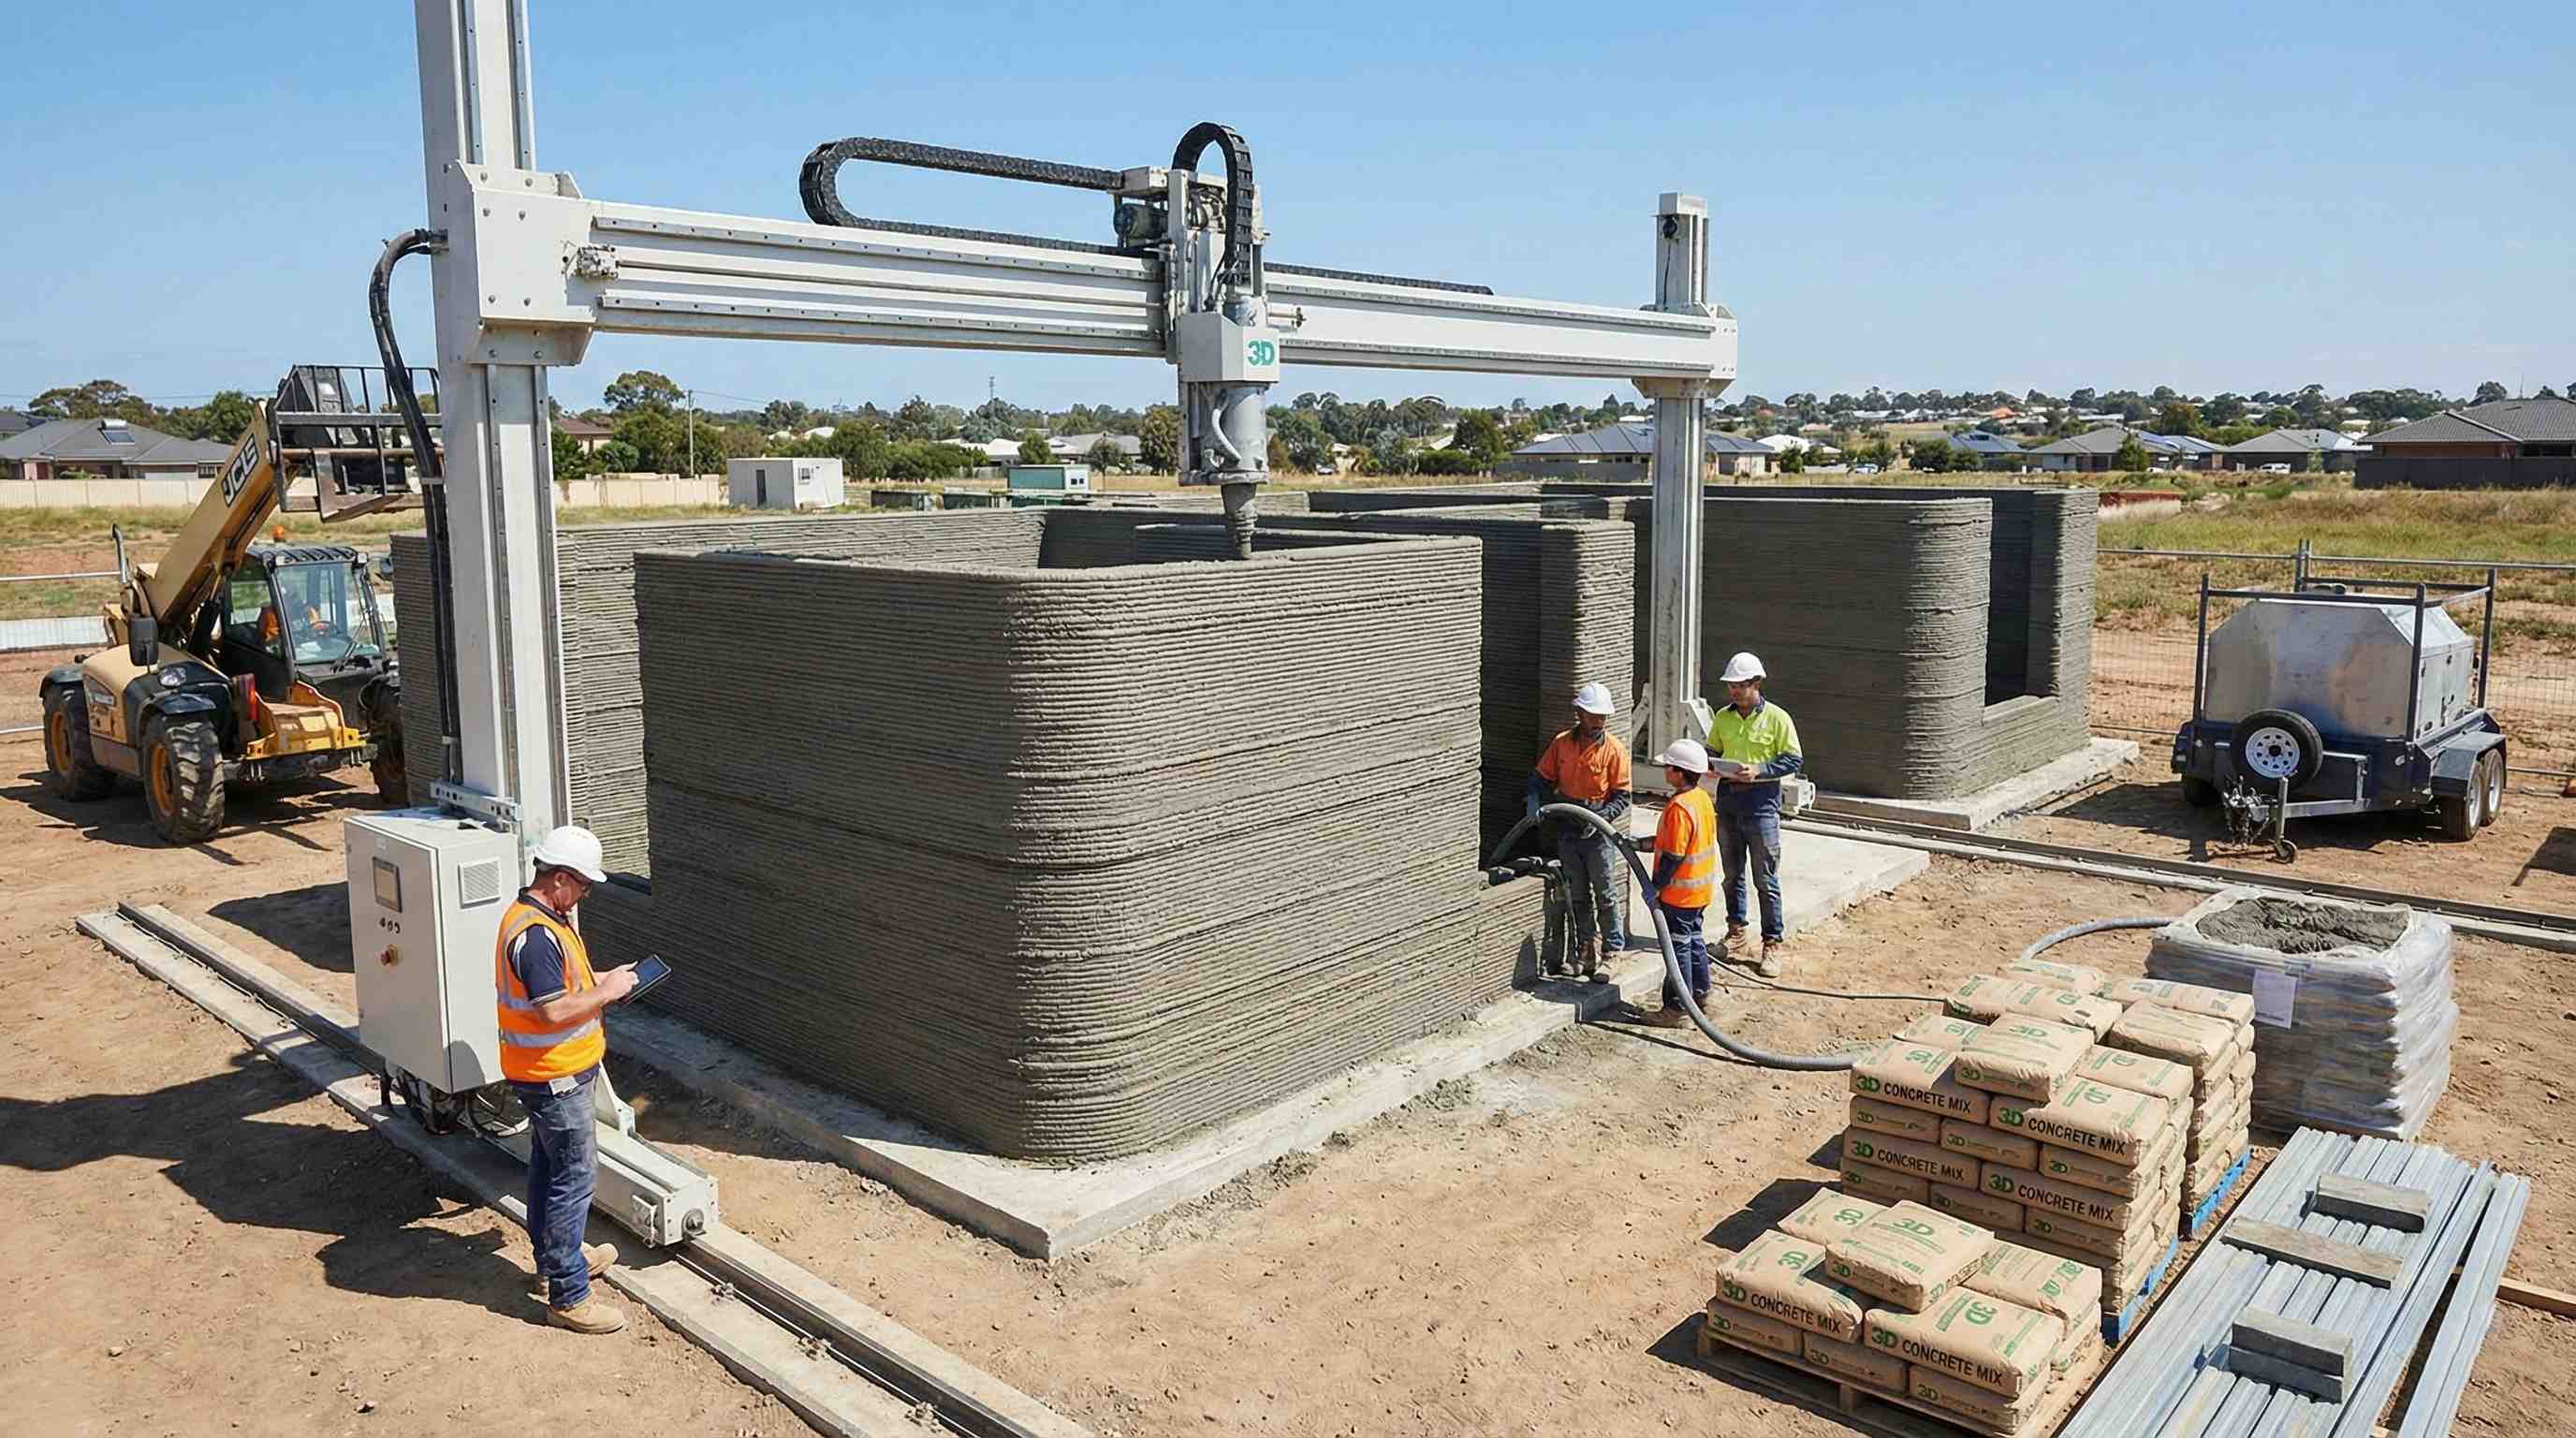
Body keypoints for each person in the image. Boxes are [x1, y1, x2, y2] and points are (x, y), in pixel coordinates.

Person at [495, 824, 638, 1334]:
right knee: (573, 1178)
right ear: (559, 879)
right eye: (583, 884)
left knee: (547, 1169)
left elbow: (561, 987)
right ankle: (569, 1294)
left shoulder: (540, 919)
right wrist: (606, 994)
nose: (585, 894)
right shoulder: (535, 936)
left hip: (546, 1074)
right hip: (553, 1077)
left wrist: (603, 982)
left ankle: (555, 1256)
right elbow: (554, 1012)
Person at [1526, 682, 1632, 980]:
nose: (1599, 721)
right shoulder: (1562, 744)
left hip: (1597, 831)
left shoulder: (1614, 749)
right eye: (1593, 715)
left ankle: (1612, 951)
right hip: (1568, 826)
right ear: (1580, 713)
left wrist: (1601, 818)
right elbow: (1541, 777)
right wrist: (1534, 797)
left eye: (1602, 716)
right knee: (1578, 892)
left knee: (1605, 893)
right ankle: (1586, 949)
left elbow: (1622, 795)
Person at [1707, 652, 1804, 977]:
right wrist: (1710, 764)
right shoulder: (1723, 717)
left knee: (1766, 880)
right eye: (1731, 685)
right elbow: (1713, 751)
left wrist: (1760, 771)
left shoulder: (1778, 718)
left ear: (1756, 684)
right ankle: (1736, 934)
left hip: (1762, 807)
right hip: (1729, 805)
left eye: (1740, 685)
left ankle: (1771, 944)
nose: (1734, 691)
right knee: (1732, 875)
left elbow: (1792, 760)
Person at [1642, 738, 1717, 1027]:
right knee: (1694, 942)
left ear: (1678, 771)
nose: (1665, 771)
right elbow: (1680, 844)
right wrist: (1644, 844)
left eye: (1668, 767)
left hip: (1679, 894)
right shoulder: (1701, 800)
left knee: (1678, 949)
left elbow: (1673, 855)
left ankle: (1676, 1009)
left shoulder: (1679, 807)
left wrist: (1655, 886)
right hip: (1698, 892)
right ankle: (1701, 996)